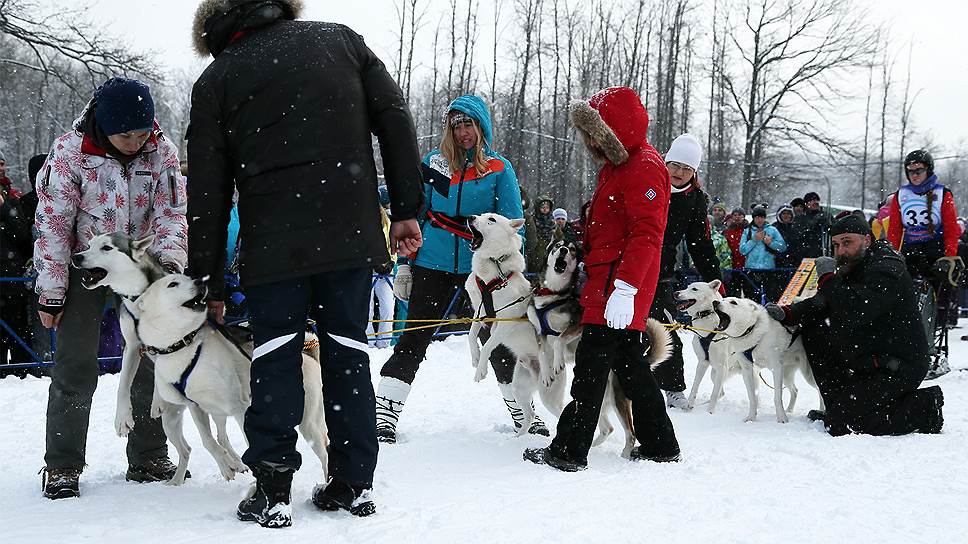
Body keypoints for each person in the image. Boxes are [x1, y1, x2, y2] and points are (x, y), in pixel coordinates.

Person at [188, 1, 423, 527]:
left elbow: (207, 190)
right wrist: (407, 209)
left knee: (274, 356)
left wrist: (209, 276)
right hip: (350, 232)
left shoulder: (217, 79)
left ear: (219, 28)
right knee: (346, 350)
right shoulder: (340, 41)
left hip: (274, 247)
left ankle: (272, 486)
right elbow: (393, 116)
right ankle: (353, 482)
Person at [34, 77, 187, 499]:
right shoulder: (69, 154)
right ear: (104, 124)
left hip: (142, 272)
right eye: (125, 134)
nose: (136, 142)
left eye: (142, 132)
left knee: (155, 359)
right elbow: (53, 225)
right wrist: (50, 290)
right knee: (75, 365)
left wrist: (169, 268)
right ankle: (63, 465)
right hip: (88, 268)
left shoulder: (163, 152)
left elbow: (172, 214)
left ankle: (150, 452)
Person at [524, 86, 680, 471]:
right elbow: (612, 226)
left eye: (595, 131)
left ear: (614, 130)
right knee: (632, 368)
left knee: (591, 371)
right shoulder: (617, 166)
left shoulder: (644, 165)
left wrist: (625, 288)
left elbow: (647, 235)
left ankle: (568, 450)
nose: (590, 141)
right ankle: (661, 444)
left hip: (617, 288)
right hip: (606, 284)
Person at [377, 95, 531, 444]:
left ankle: (524, 413)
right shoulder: (435, 162)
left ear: (481, 127)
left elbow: (509, 228)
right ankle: (385, 413)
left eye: (469, 125)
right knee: (413, 337)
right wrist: (405, 265)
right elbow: (415, 213)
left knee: (500, 341)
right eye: (456, 125)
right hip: (432, 261)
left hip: (484, 271)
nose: (463, 132)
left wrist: (510, 273)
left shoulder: (498, 168)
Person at [765, 215, 944, 436]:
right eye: (837, 245)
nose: (841, 251)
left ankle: (925, 407)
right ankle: (839, 406)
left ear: (867, 240)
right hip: (871, 360)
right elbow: (826, 302)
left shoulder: (887, 269)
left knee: (842, 426)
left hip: (899, 366)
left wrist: (828, 279)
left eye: (847, 242)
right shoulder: (857, 265)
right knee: (815, 330)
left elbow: (856, 310)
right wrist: (789, 313)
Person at [646, 133, 723, 409]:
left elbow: (700, 244)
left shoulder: (695, 199)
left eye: (686, 168)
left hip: (661, 273)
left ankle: (673, 388)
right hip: (627, 267)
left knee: (665, 328)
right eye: (675, 165)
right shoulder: (647, 182)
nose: (678, 172)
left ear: (694, 171)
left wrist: (717, 281)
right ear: (666, 162)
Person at [886, 149, 962, 379]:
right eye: (910, 171)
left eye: (918, 170)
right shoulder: (901, 194)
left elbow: (951, 228)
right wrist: (891, 254)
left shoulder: (942, 193)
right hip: (910, 252)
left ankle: (933, 349)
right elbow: (895, 229)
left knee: (933, 300)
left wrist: (949, 256)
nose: (914, 175)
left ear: (928, 170)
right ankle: (907, 348)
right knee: (905, 302)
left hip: (935, 253)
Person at [1, 169, 32, 373]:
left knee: (17, 328)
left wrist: (4, 208)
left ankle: (22, 370)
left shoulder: (12, 200)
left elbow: (21, 236)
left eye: (2, 163)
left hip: (10, 276)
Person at [366, 186, 396, 348]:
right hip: (368, 271)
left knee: (388, 307)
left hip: (386, 271)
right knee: (367, 309)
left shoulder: (388, 222)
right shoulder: (365, 222)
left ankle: (384, 342)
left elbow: (393, 245)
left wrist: (391, 262)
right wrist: (372, 262)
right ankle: (369, 341)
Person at [740, 205, 787, 302]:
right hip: (751, 269)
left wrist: (770, 243)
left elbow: (782, 247)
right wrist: (753, 240)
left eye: (761, 217)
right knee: (751, 299)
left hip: (769, 269)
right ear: (753, 218)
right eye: (757, 217)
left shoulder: (772, 230)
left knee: (770, 297)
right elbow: (742, 250)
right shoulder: (747, 231)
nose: (759, 220)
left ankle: (769, 315)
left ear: (765, 218)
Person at [789, 191, 831, 261]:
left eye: (817, 200)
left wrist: (829, 224)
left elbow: (834, 231)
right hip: (806, 256)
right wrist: (813, 223)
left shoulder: (826, 216)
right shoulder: (800, 218)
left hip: (824, 254)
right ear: (806, 204)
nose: (815, 202)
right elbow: (797, 235)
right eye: (812, 200)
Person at [723, 207, 748, 296]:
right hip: (731, 266)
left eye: (739, 215)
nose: (737, 217)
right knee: (732, 293)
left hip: (746, 265)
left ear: (743, 217)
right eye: (735, 215)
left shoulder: (748, 230)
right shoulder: (727, 231)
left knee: (748, 292)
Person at [772, 204, 799, 270]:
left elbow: (798, 245)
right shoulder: (774, 228)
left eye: (788, 214)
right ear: (780, 215)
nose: (786, 216)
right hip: (777, 261)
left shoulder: (796, 228)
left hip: (793, 261)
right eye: (784, 213)